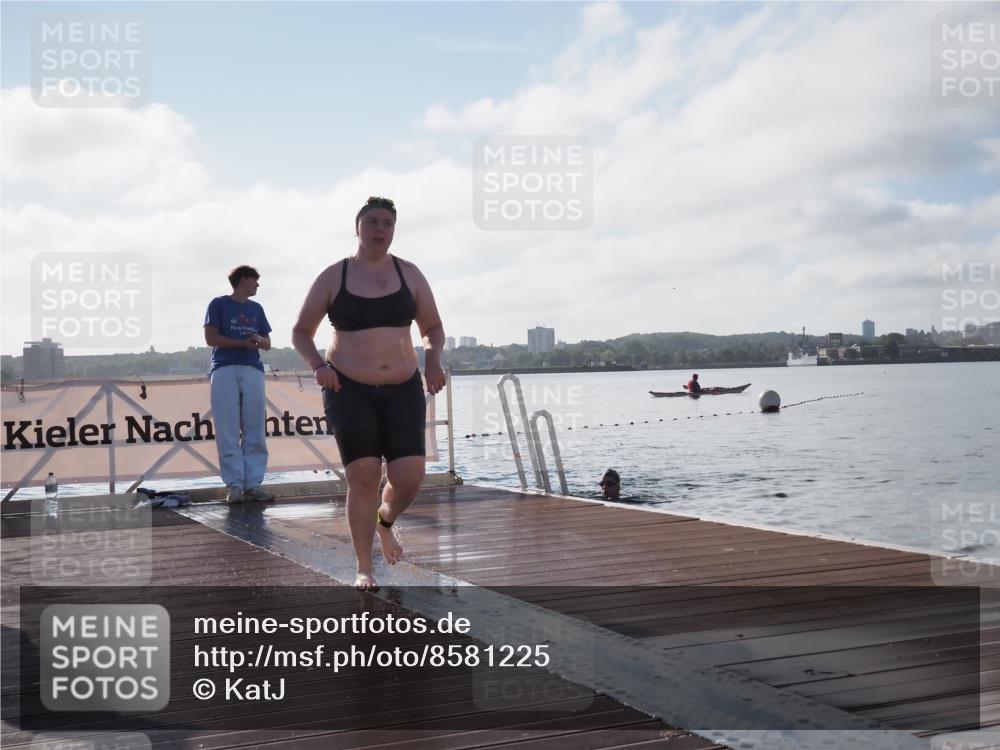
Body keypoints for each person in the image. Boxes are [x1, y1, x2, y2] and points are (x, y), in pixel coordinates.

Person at [292, 196, 446, 590]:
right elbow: (301, 332)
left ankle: (385, 522)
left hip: (402, 387)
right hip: (348, 388)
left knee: (409, 476)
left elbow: (432, 328)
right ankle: (365, 567)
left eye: (387, 223)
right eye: (373, 222)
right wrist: (319, 367)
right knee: (363, 476)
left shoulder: (409, 274)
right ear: (357, 227)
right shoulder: (334, 276)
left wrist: (433, 361)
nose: (380, 229)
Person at [203, 265, 275, 504]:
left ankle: (253, 484)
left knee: (255, 427)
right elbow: (211, 338)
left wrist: (258, 340)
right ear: (244, 280)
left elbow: (268, 343)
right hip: (224, 368)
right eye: (255, 280)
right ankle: (234, 485)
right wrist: (240, 343)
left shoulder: (257, 308)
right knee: (227, 429)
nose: (257, 285)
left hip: (252, 369)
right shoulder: (218, 304)